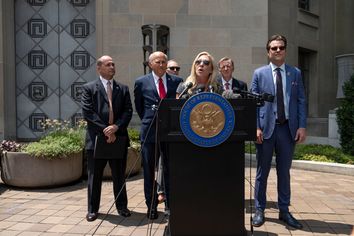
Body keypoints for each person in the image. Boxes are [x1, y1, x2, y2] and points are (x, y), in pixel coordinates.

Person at [250, 34, 307, 229]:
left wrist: (301, 126)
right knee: (261, 172)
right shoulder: (259, 73)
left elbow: (300, 100)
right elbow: (254, 103)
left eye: (281, 47)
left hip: (287, 129)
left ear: (285, 50)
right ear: (268, 52)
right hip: (265, 130)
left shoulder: (295, 73)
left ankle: (284, 210)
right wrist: (256, 126)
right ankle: (259, 210)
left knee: (284, 172)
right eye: (273, 48)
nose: (277, 50)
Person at [81, 55, 133, 222]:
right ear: (99, 68)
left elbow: (128, 111)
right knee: (94, 176)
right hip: (97, 138)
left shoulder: (123, 89)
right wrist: (105, 129)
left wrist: (116, 127)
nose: (112, 67)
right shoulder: (89, 88)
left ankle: (122, 207)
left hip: (119, 138)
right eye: (108, 64)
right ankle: (92, 210)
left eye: (113, 64)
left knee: (119, 175)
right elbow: (88, 113)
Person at [134, 51, 183, 219]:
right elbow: (140, 107)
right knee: (149, 171)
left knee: (170, 169)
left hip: (169, 132)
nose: (162, 64)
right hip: (149, 132)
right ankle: (151, 206)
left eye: (164, 61)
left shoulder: (177, 81)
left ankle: (170, 206)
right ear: (150, 65)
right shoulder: (141, 82)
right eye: (158, 62)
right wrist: (150, 121)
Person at [157, 59, 181, 206]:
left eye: (177, 68)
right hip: (156, 127)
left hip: (174, 129)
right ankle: (161, 191)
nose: (175, 70)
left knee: (168, 162)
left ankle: (169, 193)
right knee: (161, 162)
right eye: (172, 67)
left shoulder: (180, 83)